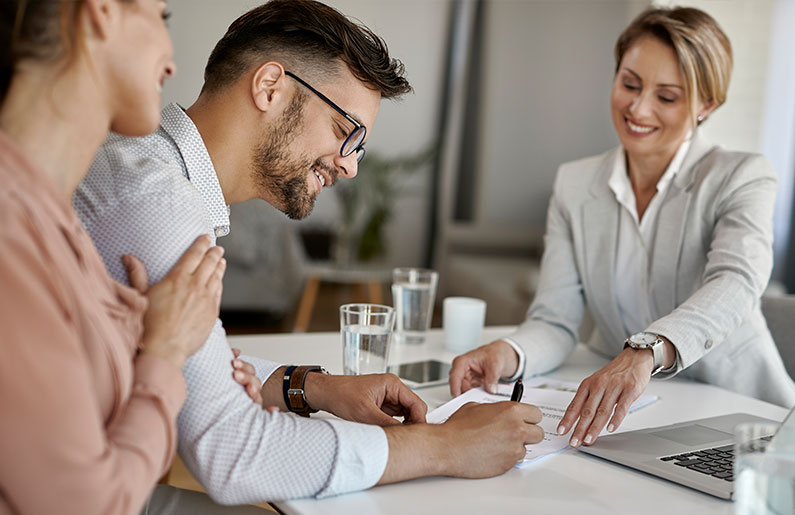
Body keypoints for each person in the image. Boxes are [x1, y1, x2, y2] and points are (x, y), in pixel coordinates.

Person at [74, 0, 544, 505]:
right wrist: (444, 445)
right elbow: (233, 451)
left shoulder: (150, 172)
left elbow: (191, 366)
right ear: (269, 87)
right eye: (347, 133)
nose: (351, 168)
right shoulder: (160, 206)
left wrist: (311, 387)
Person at [449, 6, 795, 450]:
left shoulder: (741, 175)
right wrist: (508, 353)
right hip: (629, 420)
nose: (638, 107)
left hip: (742, 419)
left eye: (666, 97)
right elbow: (556, 320)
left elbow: (736, 281)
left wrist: (645, 351)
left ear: (706, 105)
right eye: (630, 83)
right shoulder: (574, 185)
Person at [0, 0, 227, 513]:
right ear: (100, 10)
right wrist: (164, 353)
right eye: (162, 17)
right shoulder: (12, 231)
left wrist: (146, 333)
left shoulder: (52, 214)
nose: (172, 61)